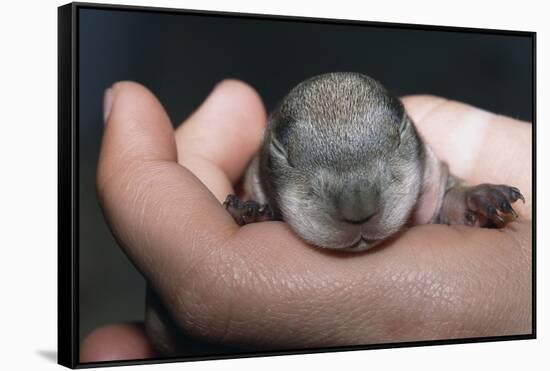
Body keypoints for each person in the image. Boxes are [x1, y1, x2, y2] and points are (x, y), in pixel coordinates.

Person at [81, 79, 532, 362]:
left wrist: (464, 202)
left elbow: (445, 193)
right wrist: (254, 219)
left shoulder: (429, 165)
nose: (357, 209)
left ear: (412, 138)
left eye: (394, 148)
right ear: (266, 163)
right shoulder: (257, 183)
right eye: (288, 160)